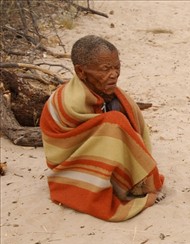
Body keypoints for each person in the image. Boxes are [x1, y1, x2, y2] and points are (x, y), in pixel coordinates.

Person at [40, 35, 165, 221]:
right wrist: (113, 124)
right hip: (67, 162)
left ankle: (129, 178)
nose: (114, 74)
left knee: (121, 108)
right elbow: (75, 143)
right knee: (114, 123)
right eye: (105, 69)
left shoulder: (107, 93)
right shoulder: (71, 102)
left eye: (117, 67)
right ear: (81, 72)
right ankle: (124, 189)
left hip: (92, 152)